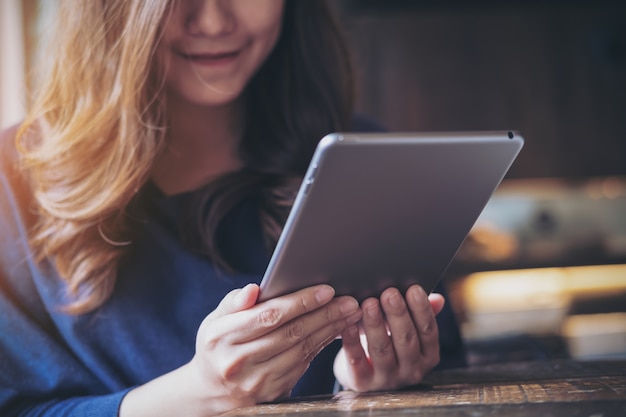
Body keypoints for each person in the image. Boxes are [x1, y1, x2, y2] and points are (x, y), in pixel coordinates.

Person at [0, 0, 466, 416]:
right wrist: (199, 394)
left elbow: (446, 365)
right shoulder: (12, 180)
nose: (213, 19)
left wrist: (373, 383)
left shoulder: (369, 160)